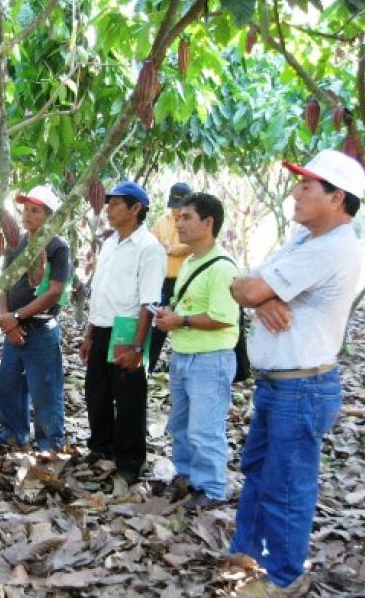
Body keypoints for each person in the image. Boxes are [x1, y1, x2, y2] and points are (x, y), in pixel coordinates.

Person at [227, 150, 365, 596]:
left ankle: (284, 577)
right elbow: (242, 284)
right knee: (259, 472)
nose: (296, 193)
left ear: (336, 197)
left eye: (307, 186)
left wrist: (256, 292)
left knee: (286, 485)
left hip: (301, 388)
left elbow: (248, 287)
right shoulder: (302, 241)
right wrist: (261, 296)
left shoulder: (331, 248)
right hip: (281, 385)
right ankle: (246, 554)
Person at [154, 193, 239, 509]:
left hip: (210, 358)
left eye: (187, 217)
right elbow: (187, 305)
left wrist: (181, 319)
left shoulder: (223, 267)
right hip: (183, 354)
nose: (179, 223)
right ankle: (187, 477)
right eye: (179, 217)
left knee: (205, 429)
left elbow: (222, 316)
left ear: (208, 222)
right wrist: (170, 315)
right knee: (181, 425)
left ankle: (212, 489)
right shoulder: (189, 262)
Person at [79, 181, 165, 484]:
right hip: (102, 327)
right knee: (97, 392)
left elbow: (149, 302)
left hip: (127, 329)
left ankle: (129, 461)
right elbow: (100, 291)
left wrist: (138, 346)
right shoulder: (110, 243)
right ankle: (102, 448)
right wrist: (90, 333)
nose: (108, 209)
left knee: (128, 397)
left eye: (115, 204)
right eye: (108, 204)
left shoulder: (149, 248)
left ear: (136, 208)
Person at [0, 186, 71, 453]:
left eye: (35, 210)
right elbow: (1, 285)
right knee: (8, 385)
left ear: (49, 216)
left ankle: (50, 444)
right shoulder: (16, 244)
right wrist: (7, 319)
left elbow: (54, 291)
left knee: (45, 389)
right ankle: (13, 433)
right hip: (13, 327)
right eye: (25, 209)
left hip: (40, 328)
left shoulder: (58, 247)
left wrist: (16, 317)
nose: (27, 215)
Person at [149, 181, 193, 371]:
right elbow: (152, 245)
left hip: (187, 281)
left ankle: (182, 365)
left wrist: (177, 249)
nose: (176, 212)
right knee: (160, 321)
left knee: (185, 322)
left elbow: (198, 244)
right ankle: (149, 364)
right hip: (165, 281)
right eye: (174, 207)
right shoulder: (161, 221)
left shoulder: (195, 221)